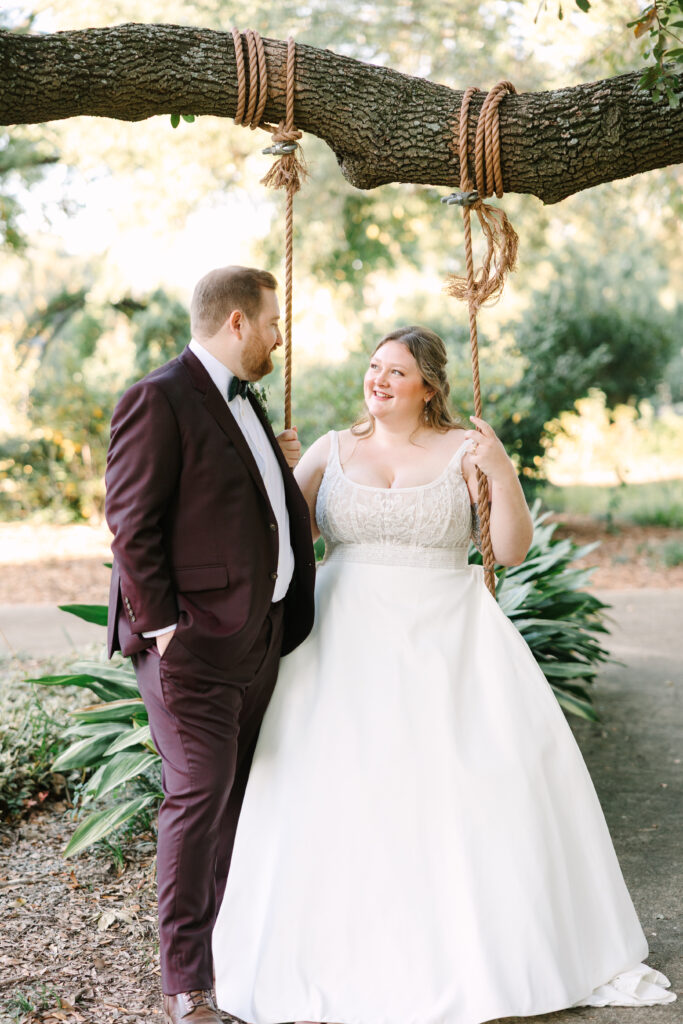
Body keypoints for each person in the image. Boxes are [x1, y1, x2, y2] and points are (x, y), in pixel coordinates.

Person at [212, 325, 675, 1024]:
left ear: (428, 386)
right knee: (337, 788)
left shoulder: (464, 450)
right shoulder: (330, 448)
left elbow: (509, 550)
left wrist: (502, 471)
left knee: (458, 791)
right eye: (373, 367)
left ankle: (471, 952)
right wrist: (274, 475)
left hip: (447, 639)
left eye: (396, 372)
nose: (379, 381)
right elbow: (280, 539)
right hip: (339, 643)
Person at [104, 266, 316, 1024]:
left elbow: (246, 512)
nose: (277, 337)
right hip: (191, 645)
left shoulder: (247, 402)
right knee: (196, 800)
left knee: (233, 804)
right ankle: (186, 985)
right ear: (235, 323)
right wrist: (164, 629)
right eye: (270, 322)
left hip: (258, 639)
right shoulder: (156, 397)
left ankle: (232, 959)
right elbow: (132, 523)